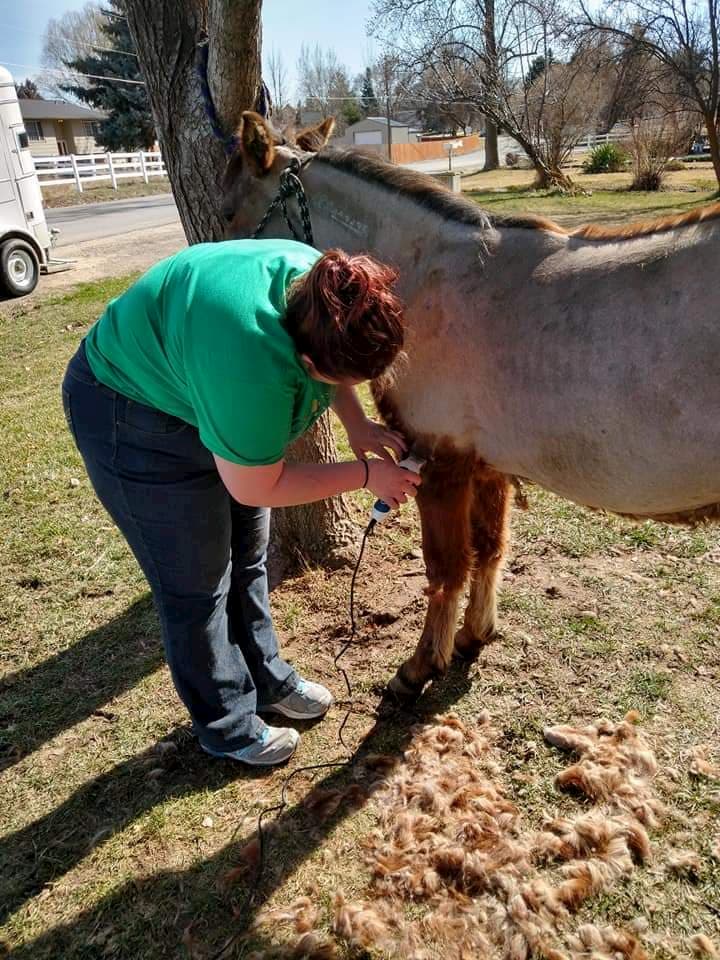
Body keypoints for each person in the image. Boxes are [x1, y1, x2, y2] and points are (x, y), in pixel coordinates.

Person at [61, 238, 420, 767]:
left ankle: (267, 678)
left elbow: (333, 365)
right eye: (347, 383)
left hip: (201, 380)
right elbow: (256, 485)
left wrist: (356, 422)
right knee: (196, 586)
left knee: (247, 556)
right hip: (128, 410)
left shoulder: (329, 288)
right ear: (302, 362)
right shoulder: (248, 358)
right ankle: (227, 725)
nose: (353, 389)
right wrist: (366, 475)